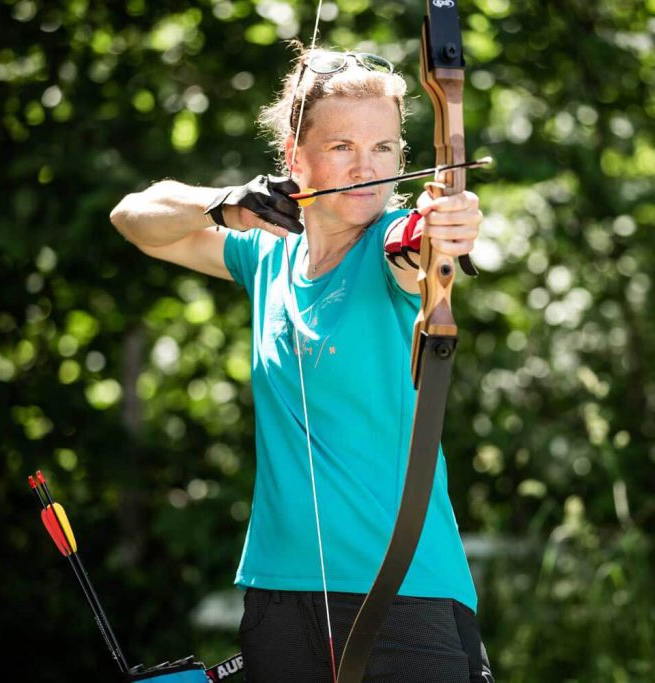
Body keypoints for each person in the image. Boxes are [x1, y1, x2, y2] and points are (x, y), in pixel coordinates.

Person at [110, 46, 493, 683]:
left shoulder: (393, 248)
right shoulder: (265, 257)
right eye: (342, 146)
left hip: (405, 599)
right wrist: (225, 202)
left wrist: (446, 226)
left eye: (386, 149)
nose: (368, 168)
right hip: (279, 599)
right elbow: (135, 218)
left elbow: (420, 245)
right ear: (295, 158)